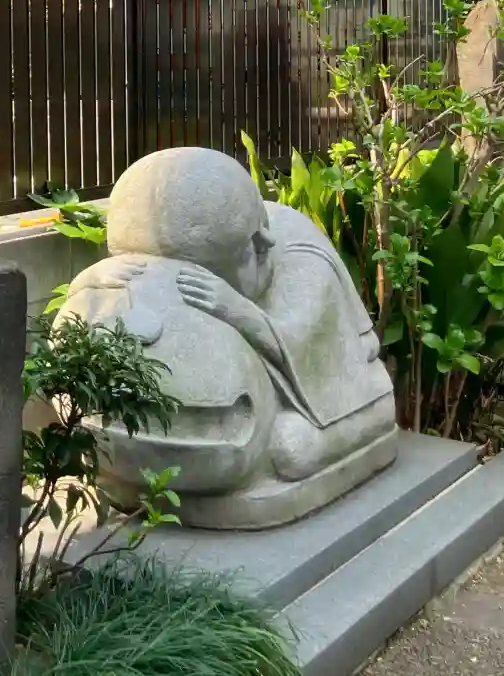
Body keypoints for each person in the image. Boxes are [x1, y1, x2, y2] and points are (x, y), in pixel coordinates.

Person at [59, 147, 396, 528]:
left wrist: (236, 308)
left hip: (340, 373)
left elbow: (312, 351)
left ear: (259, 247)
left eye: (196, 278)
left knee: (294, 447)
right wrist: (90, 281)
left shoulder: (302, 262)